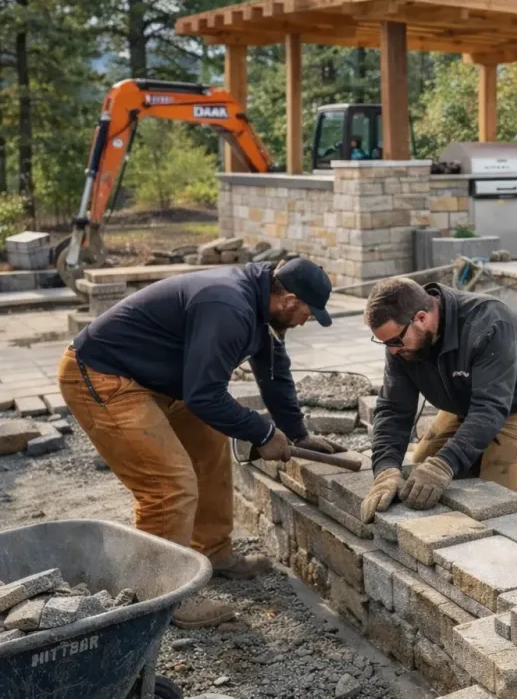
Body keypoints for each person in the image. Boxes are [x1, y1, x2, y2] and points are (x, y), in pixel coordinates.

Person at [57, 257, 347, 629]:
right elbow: (204, 396)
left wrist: (297, 433)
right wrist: (261, 432)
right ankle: (164, 595)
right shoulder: (228, 306)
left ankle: (212, 553)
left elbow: (273, 373)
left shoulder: (261, 307)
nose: (307, 320)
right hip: (103, 375)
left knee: (210, 447)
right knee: (169, 485)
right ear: (288, 299)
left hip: (158, 379)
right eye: (308, 312)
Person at [357, 277, 517, 522]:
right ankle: (508, 453)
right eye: (385, 343)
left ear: (422, 318)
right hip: (472, 403)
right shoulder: (403, 342)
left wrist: (446, 464)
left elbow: (490, 408)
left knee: (504, 489)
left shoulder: (488, 322)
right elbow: (393, 408)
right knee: (424, 465)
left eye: (394, 341)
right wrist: (386, 468)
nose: (392, 350)